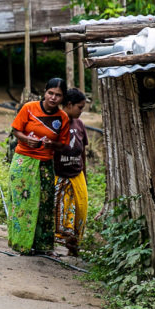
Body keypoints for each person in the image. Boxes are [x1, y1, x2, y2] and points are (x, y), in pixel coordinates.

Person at [6, 77, 70, 255]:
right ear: (45, 92)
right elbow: (16, 130)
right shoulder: (29, 108)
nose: (53, 98)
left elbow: (63, 144)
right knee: (22, 202)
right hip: (23, 161)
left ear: (62, 98)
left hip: (45, 163)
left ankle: (43, 246)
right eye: (50, 93)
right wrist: (27, 139)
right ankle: (21, 244)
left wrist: (52, 145)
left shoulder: (63, 118)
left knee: (45, 204)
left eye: (58, 95)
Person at [53, 89, 89, 257]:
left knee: (80, 211)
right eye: (80, 107)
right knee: (58, 212)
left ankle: (74, 248)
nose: (81, 111)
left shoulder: (80, 124)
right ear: (69, 105)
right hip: (59, 175)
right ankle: (50, 245)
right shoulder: (56, 122)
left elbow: (83, 152)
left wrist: (85, 174)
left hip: (77, 174)